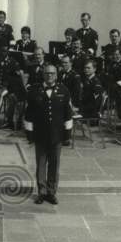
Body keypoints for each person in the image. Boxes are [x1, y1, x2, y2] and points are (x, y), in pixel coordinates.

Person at [24, 63, 73, 205]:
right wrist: (29, 134)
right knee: (41, 164)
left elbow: (68, 115)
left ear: (56, 75)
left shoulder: (64, 91)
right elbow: (28, 114)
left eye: (52, 73)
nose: (49, 76)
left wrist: (67, 135)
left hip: (57, 136)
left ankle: (51, 192)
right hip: (40, 135)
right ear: (43, 75)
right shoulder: (34, 91)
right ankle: (41, 192)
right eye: (47, 73)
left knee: (54, 165)